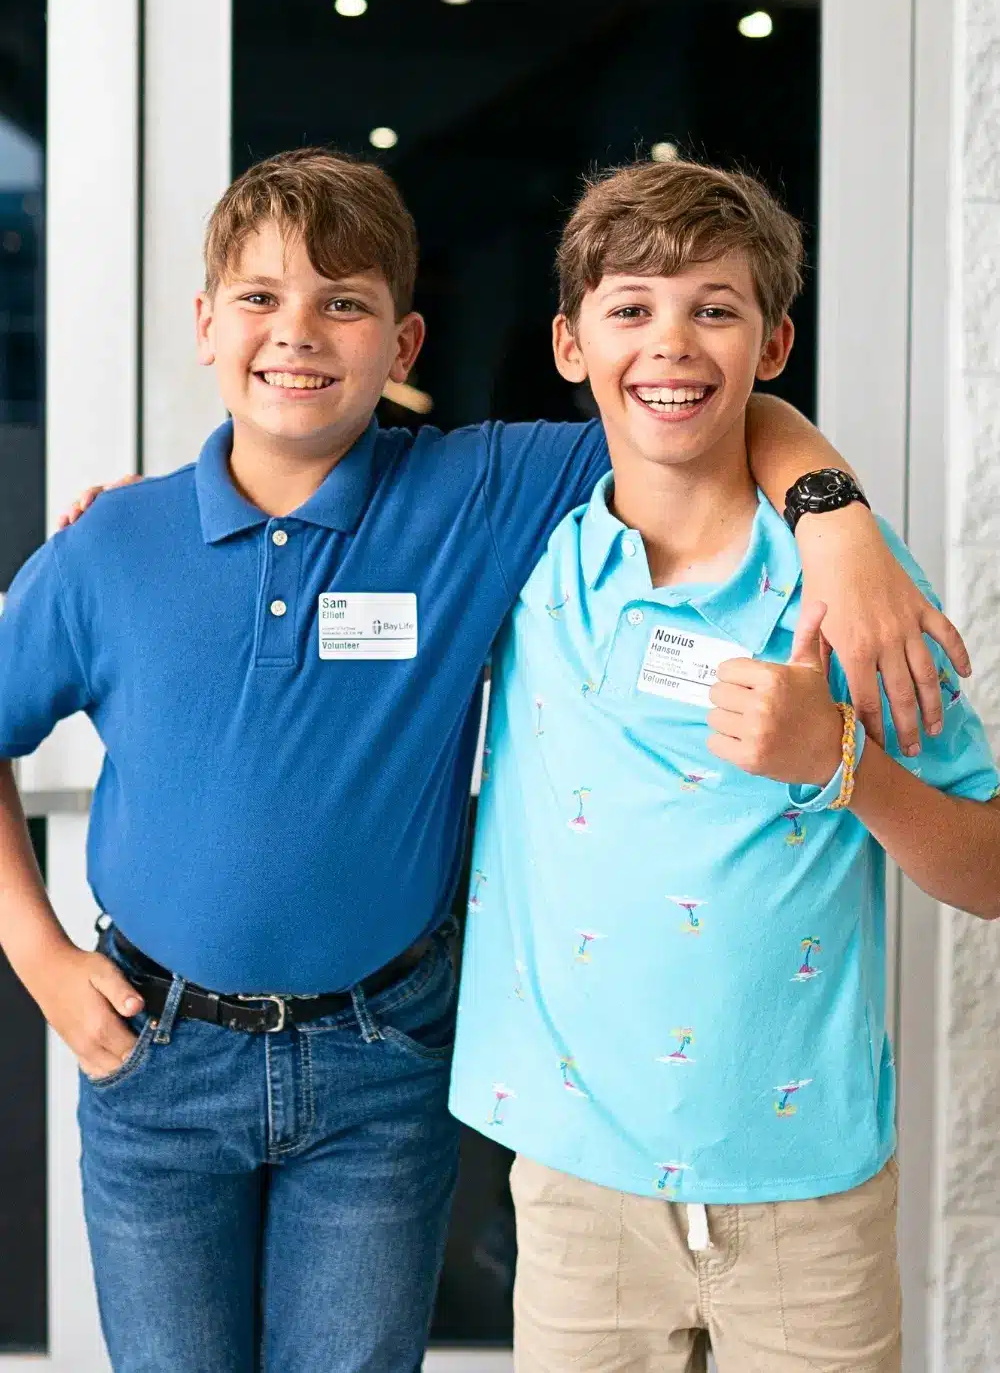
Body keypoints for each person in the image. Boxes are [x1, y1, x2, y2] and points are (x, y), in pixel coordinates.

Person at [0, 147, 971, 1373]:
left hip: (379, 1061)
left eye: (343, 302)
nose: (298, 333)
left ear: (402, 345)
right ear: (204, 323)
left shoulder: (479, 492)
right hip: (156, 1056)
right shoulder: (114, 546)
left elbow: (692, 401)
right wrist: (37, 953)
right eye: (259, 298)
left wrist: (833, 517)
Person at [448, 158, 1000, 1373]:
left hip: (806, 1194)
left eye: (715, 308)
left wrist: (845, 761)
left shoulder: (849, 591)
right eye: (631, 308)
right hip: (577, 1190)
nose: (672, 344)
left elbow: (990, 866)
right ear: (568, 343)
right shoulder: (517, 551)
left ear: (771, 342)